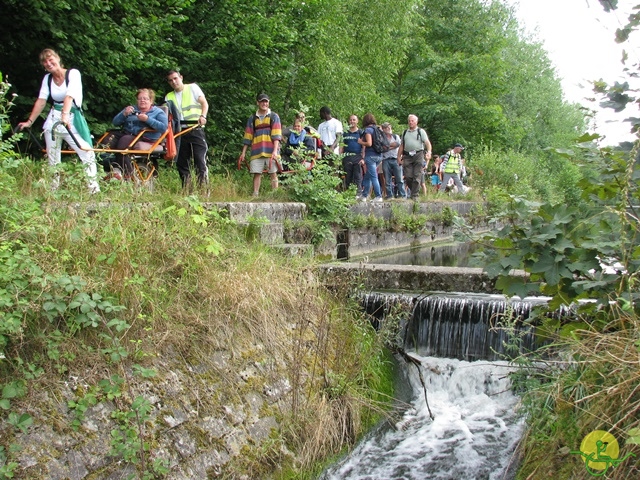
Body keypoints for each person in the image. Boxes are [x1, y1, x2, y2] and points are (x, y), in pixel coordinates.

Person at [18, 48, 100, 193]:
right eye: (45, 62)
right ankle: (53, 190)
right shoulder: (47, 79)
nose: (49, 63)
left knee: (87, 152)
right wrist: (29, 121)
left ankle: (93, 189)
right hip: (54, 119)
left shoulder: (73, 74)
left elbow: (70, 96)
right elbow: (41, 100)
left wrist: (65, 116)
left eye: (51, 59)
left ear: (58, 59)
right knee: (53, 156)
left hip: (71, 118)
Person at [102, 88, 168, 179]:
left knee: (124, 142)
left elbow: (163, 127)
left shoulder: (158, 112)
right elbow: (115, 122)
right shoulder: (131, 109)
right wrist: (124, 114)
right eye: (140, 98)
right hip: (126, 133)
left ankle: (128, 174)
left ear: (151, 100)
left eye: (145, 98)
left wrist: (147, 119)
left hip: (145, 136)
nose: (142, 100)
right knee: (107, 140)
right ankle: (112, 169)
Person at [165, 70, 209, 190]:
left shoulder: (192, 88)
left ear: (181, 77)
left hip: (195, 128)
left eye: (175, 78)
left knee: (200, 160)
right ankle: (187, 190)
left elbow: (204, 103)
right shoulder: (169, 96)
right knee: (181, 162)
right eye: (170, 80)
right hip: (179, 132)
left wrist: (203, 116)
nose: (174, 82)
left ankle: (203, 189)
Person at [238, 93, 282, 197]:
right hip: (257, 151)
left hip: (271, 151)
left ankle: (275, 195)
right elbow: (248, 137)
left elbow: (276, 136)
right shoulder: (252, 118)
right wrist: (243, 153)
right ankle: (255, 194)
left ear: (269, 102)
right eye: (262, 101)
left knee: (273, 172)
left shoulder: (274, 116)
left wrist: (275, 151)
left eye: (266, 101)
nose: (264, 103)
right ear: (258, 102)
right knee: (256, 173)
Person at [398, 114, 432, 201]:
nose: (410, 122)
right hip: (407, 155)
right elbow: (402, 145)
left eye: (412, 121)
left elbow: (427, 143)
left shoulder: (421, 131)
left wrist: (429, 152)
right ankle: (413, 192)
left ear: (416, 122)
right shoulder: (405, 132)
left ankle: (415, 195)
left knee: (417, 176)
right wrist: (398, 156)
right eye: (409, 121)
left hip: (418, 154)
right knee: (408, 176)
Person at [357, 113, 383, 202]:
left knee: (374, 177)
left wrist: (360, 142)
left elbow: (369, 143)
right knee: (367, 176)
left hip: (371, 156)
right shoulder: (378, 129)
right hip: (379, 156)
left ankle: (378, 196)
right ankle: (364, 196)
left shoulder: (368, 130)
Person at [380, 122, 406, 200]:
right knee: (387, 179)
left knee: (399, 179)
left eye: (389, 128)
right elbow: (382, 148)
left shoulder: (396, 136)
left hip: (395, 159)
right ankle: (389, 195)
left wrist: (387, 146)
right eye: (386, 128)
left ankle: (403, 195)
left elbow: (397, 144)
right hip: (386, 159)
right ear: (383, 129)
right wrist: (390, 146)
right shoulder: (381, 138)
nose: (388, 129)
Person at [341, 114, 363, 197]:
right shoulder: (345, 133)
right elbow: (342, 146)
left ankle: (359, 193)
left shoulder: (361, 132)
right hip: (347, 156)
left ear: (357, 121)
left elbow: (364, 146)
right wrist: (340, 157)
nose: (352, 121)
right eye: (350, 120)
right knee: (348, 176)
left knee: (358, 175)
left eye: (354, 120)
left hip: (358, 156)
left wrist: (363, 157)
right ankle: (348, 193)